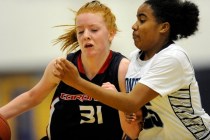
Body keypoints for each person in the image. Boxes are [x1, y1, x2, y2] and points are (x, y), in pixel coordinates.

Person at [53, 0, 210, 139]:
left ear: (163, 27)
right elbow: (133, 111)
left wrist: (77, 82)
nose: (134, 25)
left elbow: (130, 103)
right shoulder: (135, 57)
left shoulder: (173, 58)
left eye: (142, 20)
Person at [0, 1, 141, 140]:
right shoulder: (62, 67)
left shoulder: (123, 69)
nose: (86, 35)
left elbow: (133, 132)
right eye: (80, 31)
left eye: (94, 30)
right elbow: (32, 97)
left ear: (111, 33)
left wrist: (118, 102)